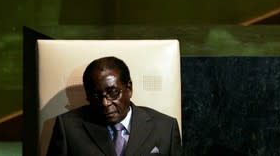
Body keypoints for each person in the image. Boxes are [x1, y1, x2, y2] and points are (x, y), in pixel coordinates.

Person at [47, 56, 182, 156]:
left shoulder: (165, 128)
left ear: (129, 89)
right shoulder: (68, 128)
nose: (105, 103)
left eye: (113, 93)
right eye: (96, 96)